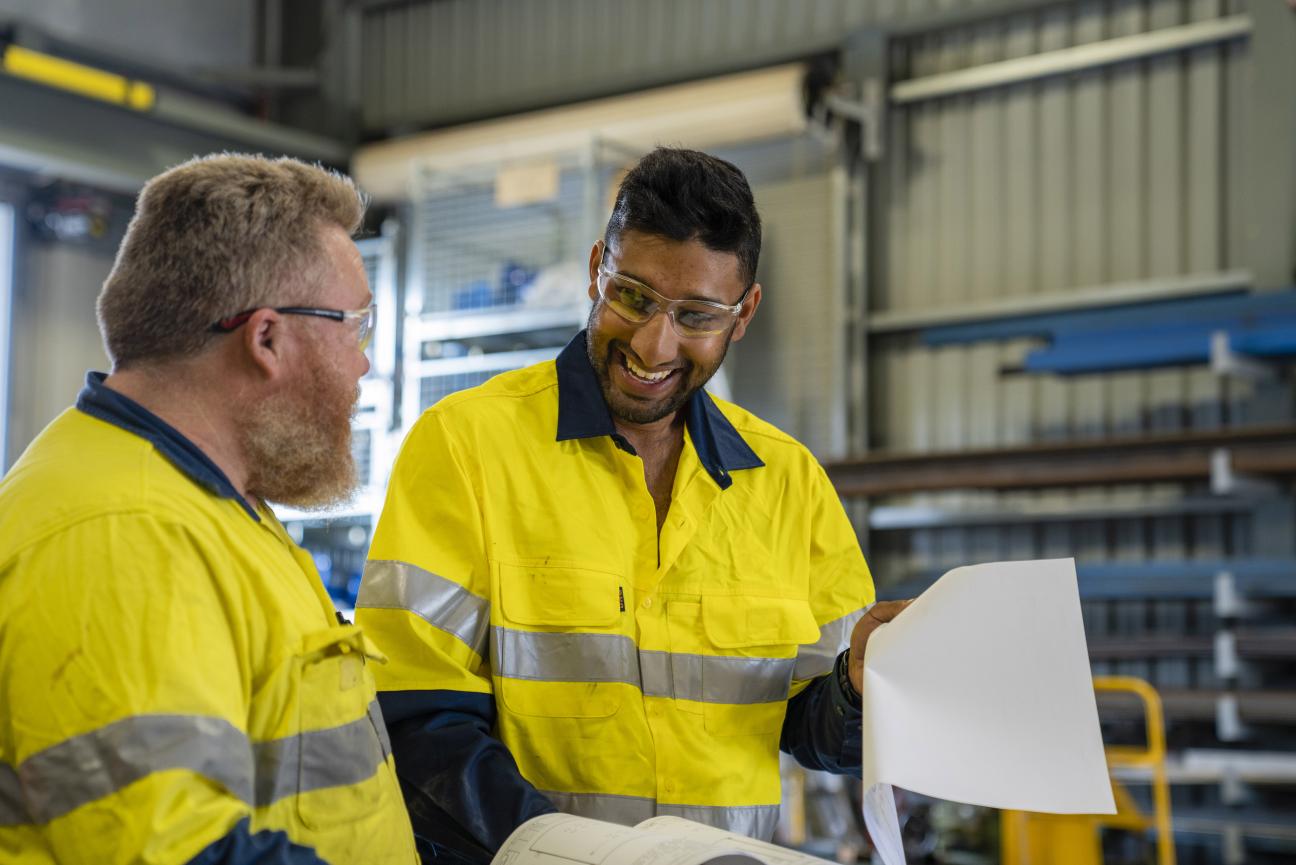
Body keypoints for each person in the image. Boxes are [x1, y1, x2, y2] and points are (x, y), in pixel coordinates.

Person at [356, 147, 908, 863]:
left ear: (745, 314)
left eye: (697, 314)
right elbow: (415, 714)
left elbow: (812, 726)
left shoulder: (788, 481)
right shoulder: (466, 445)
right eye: (633, 296)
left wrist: (857, 687)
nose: (655, 342)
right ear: (596, 268)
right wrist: (570, 853)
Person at [0, 154, 417, 865]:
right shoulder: (123, 532)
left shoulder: (217, 501)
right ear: (266, 338)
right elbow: (176, 852)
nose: (363, 365)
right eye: (356, 326)